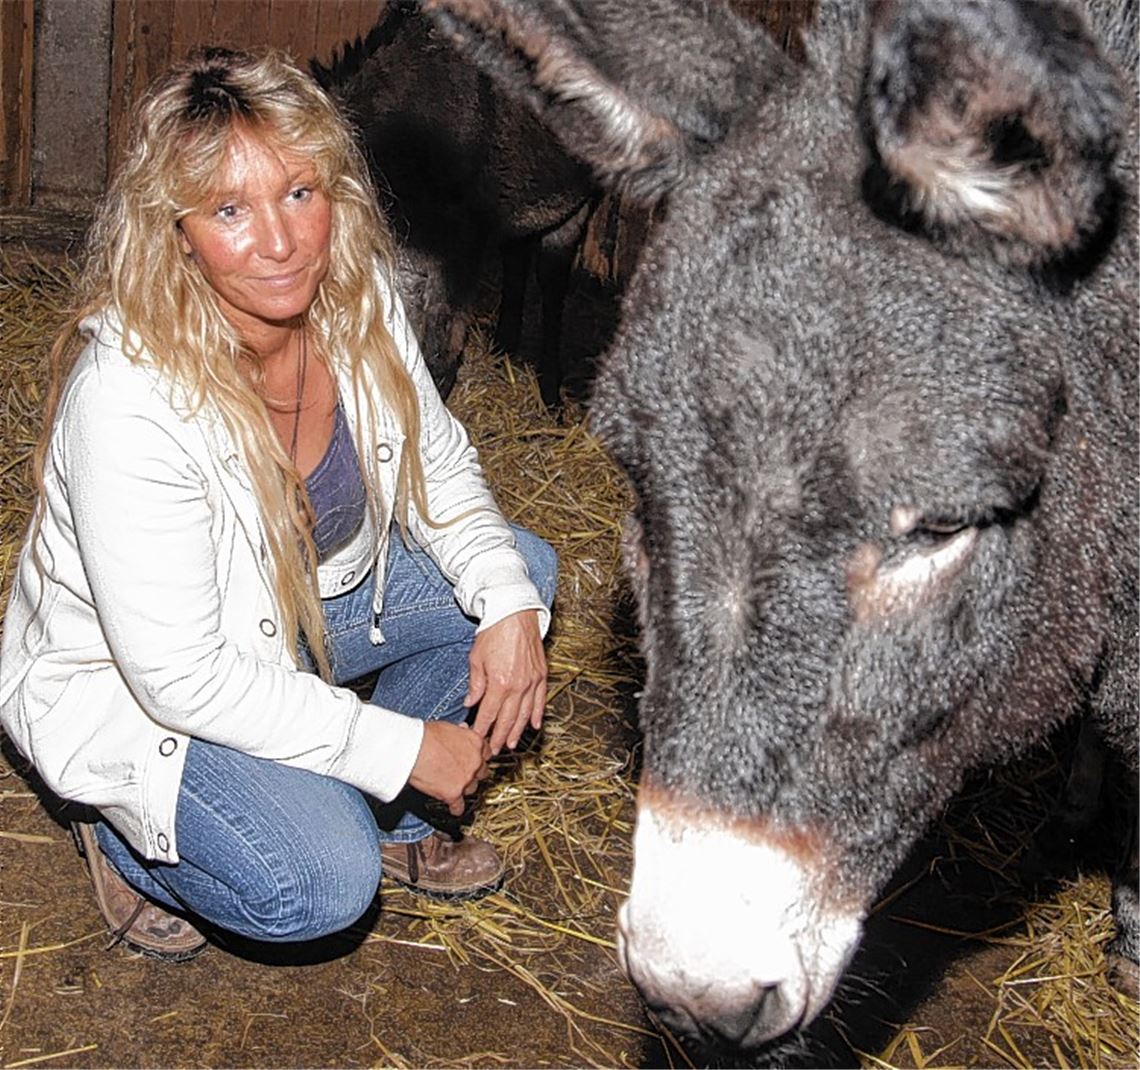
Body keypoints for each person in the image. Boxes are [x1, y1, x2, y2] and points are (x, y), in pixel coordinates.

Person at [0, 46, 557, 962]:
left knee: (524, 574)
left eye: (300, 192)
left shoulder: (352, 293)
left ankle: (396, 823)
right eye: (229, 209)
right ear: (175, 230)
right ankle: (118, 831)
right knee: (320, 886)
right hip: (146, 686)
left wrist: (503, 602)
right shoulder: (131, 397)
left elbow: (440, 460)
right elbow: (184, 677)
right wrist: (397, 746)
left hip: (298, 610)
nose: (282, 240)